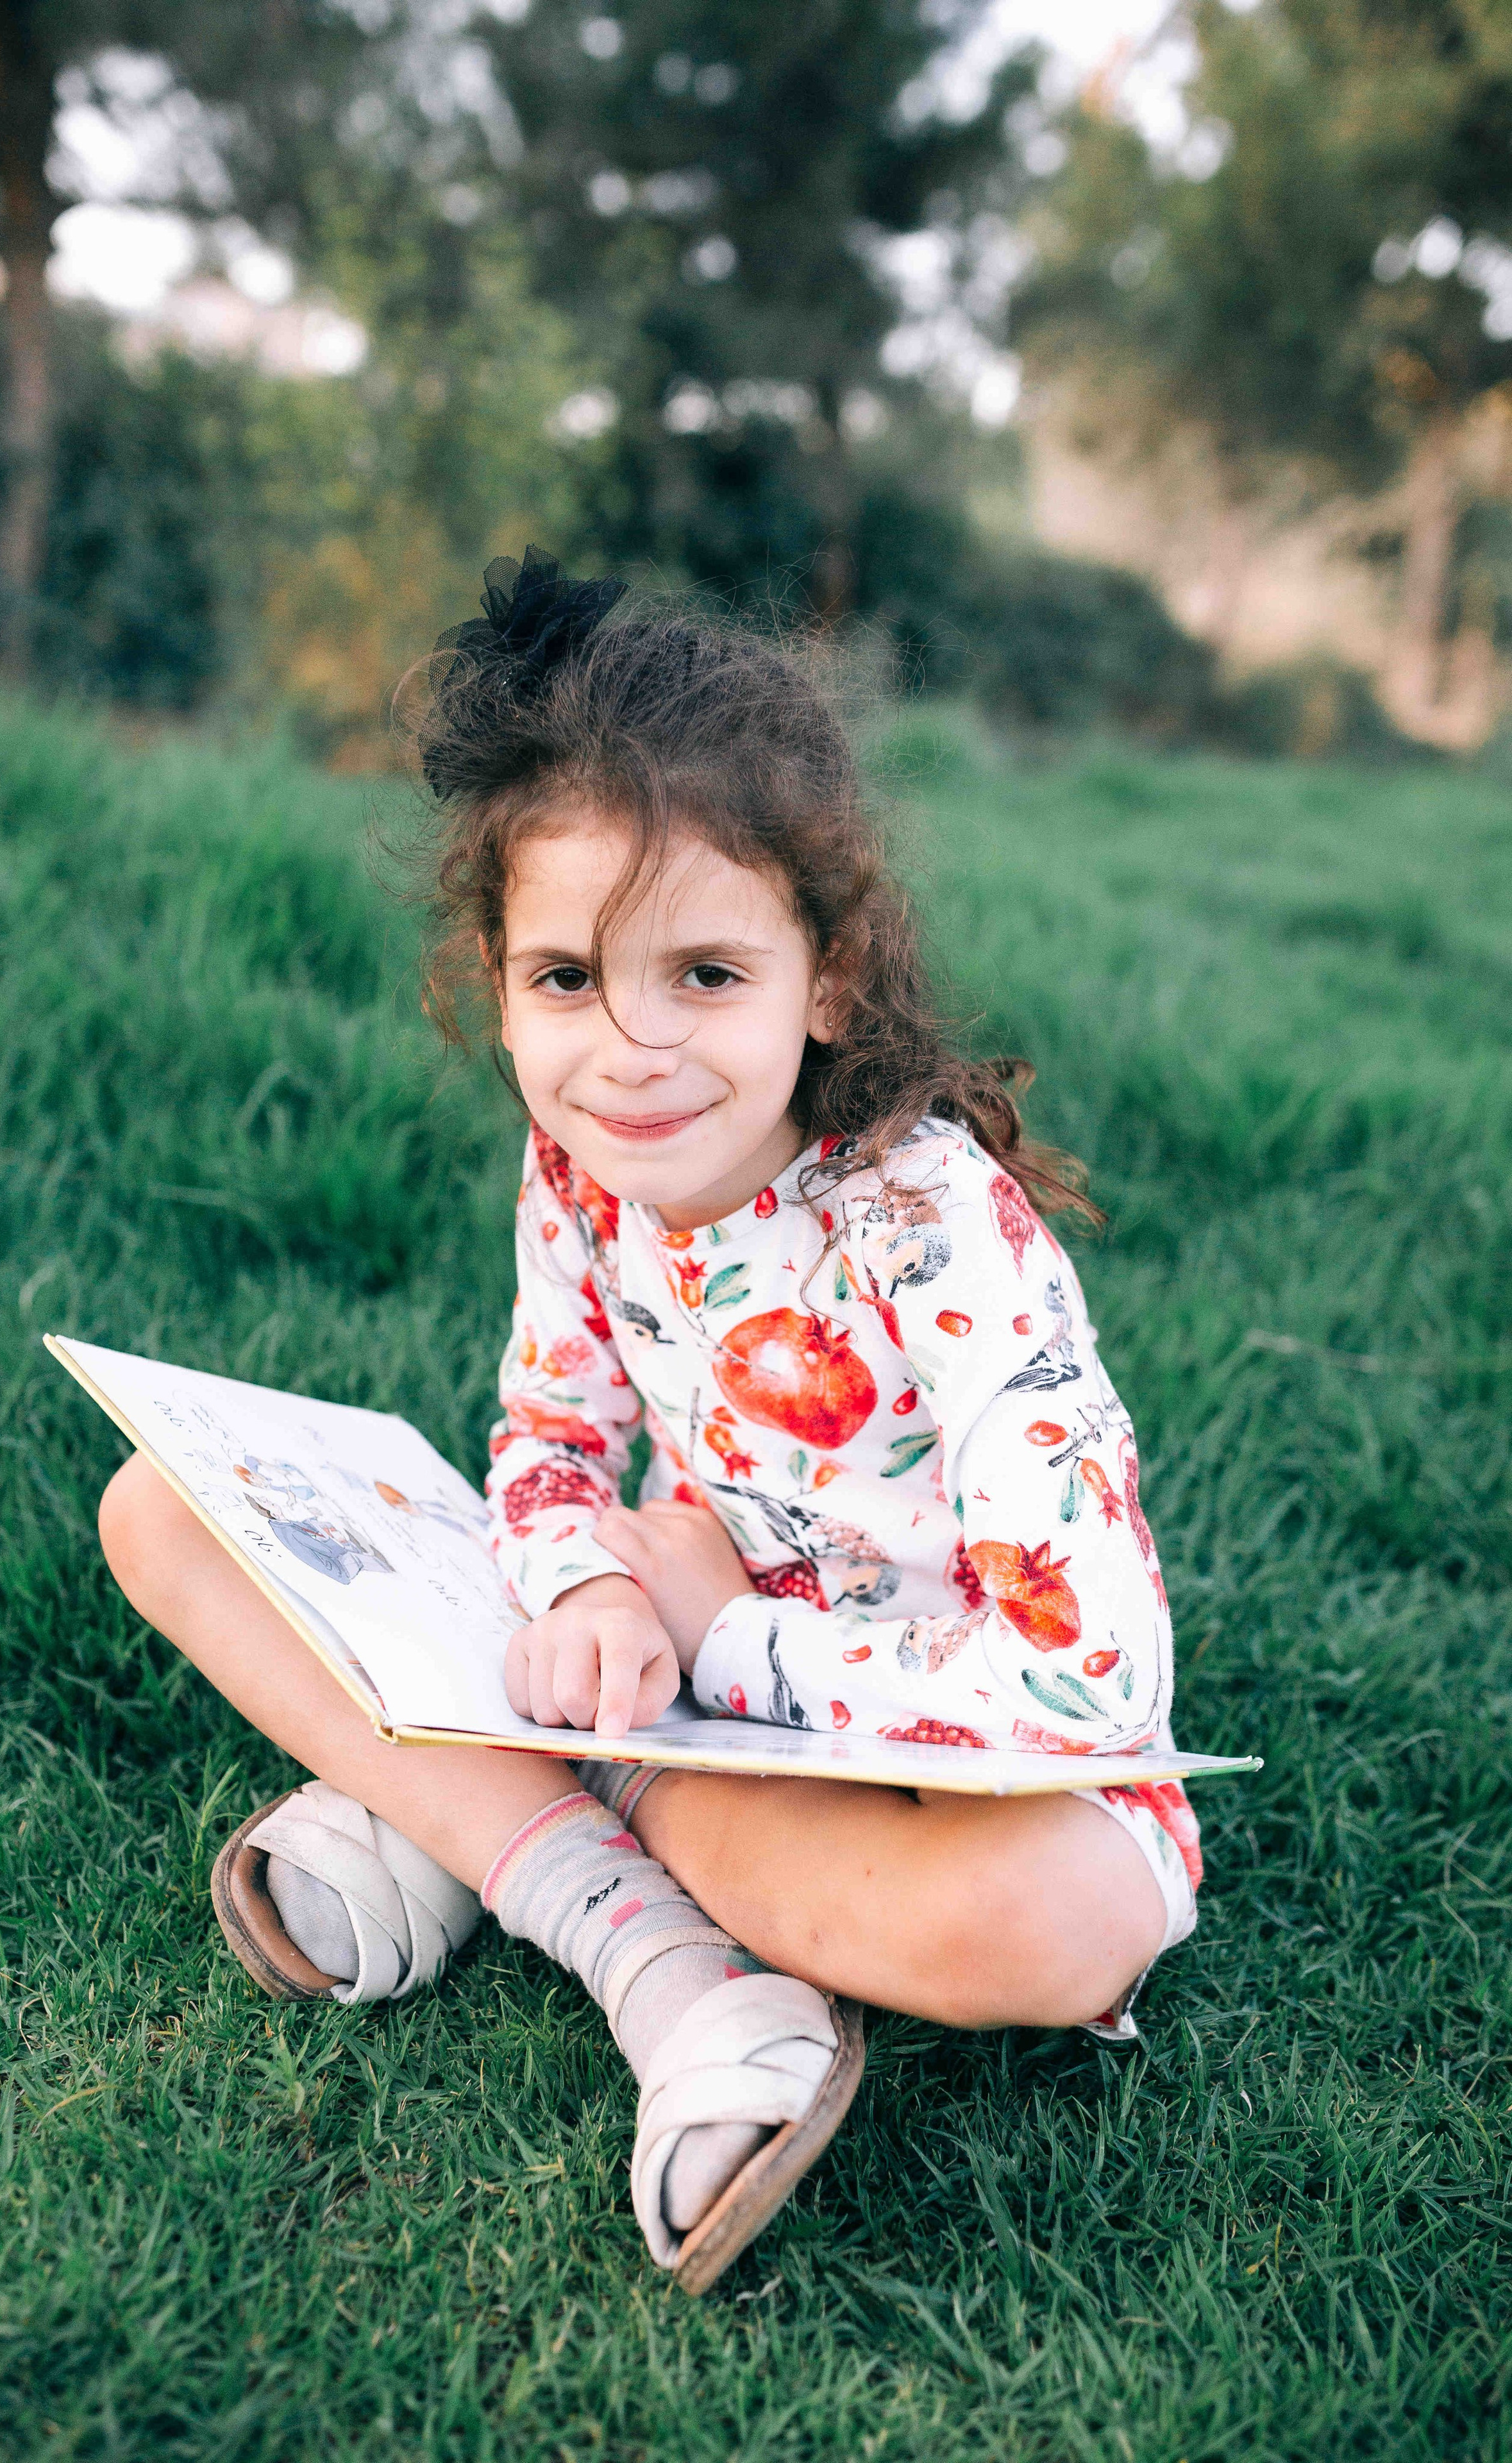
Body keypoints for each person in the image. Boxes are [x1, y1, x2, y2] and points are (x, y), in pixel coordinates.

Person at [97, 548, 1201, 2296]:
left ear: (825, 978)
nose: (631, 1053)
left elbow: (1093, 1684)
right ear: (499, 974)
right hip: (672, 1667)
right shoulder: (583, 1168)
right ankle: (659, 1962)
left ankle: (505, 1813)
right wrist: (595, 1596)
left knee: (1053, 1927)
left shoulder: (933, 1227)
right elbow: (543, 1445)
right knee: (157, 1510)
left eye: (703, 973)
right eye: (566, 980)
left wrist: (719, 1646)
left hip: (931, 1757)